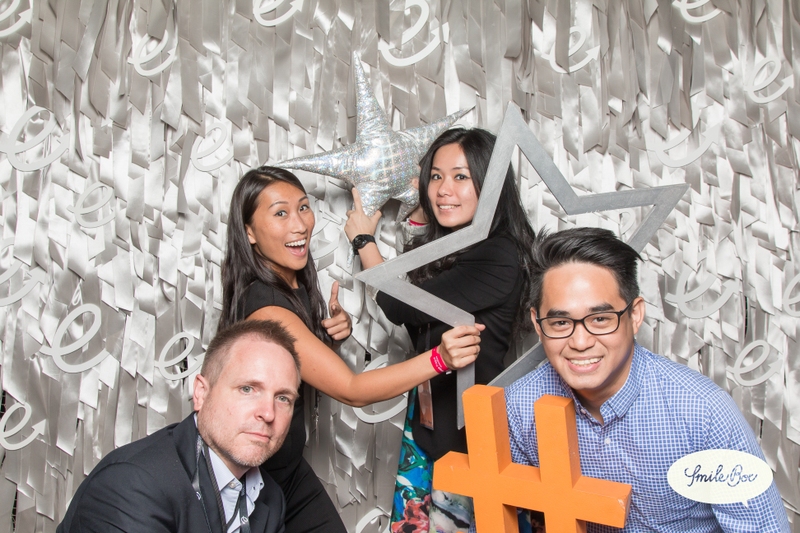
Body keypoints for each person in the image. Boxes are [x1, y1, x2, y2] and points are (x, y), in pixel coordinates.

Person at [219, 167, 484, 533]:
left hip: (285, 468)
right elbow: (352, 389)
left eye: (303, 207)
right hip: (253, 474)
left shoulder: (287, 286)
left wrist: (328, 338)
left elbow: (285, 365)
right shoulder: (267, 308)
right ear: (249, 231)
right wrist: (440, 358)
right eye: (280, 213)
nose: (300, 225)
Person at [505, 227, 789, 531]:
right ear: (538, 324)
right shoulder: (520, 407)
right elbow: (498, 510)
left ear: (635, 315)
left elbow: (761, 527)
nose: (580, 342)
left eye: (600, 319)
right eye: (560, 322)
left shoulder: (703, 411)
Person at [345, 128, 536, 532]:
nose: (444, 189)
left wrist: (364, 240)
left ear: (491, 183)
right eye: (435, 176)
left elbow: (401, 304)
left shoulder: (498, 253)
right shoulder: (454, 248)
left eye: (461, 176)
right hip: (428, 433)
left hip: (469, 447)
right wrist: (419, 212)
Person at [57, 319, 301, 533]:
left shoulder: (270, 497)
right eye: (247, 389)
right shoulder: (134, 484)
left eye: (283, 398)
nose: (268, 413)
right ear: (201, 393)